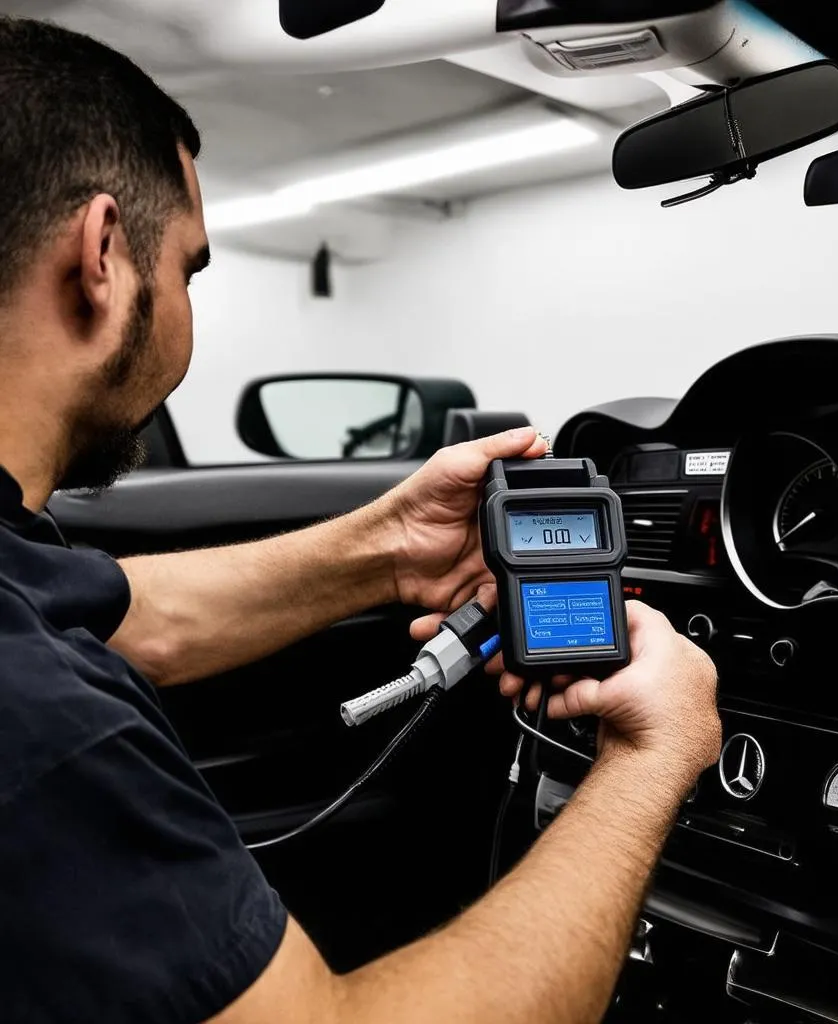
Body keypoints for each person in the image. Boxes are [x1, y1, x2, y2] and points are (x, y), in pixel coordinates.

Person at [0, 15, 721, 1024]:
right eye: (191, 270)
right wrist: (653, 757)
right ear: (105, 255)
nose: (190, 304)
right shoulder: (37, 717)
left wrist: (389, 548)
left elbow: (132, 619)